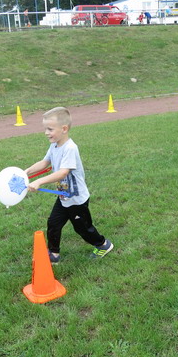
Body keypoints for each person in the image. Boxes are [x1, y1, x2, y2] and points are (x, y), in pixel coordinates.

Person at [24, 107, 114, 264]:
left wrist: (39, 181)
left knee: (83, 228)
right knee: (53, 223)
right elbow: (45, 162)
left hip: (77, 199)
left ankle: (103, 244)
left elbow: (63, 173)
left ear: (64, 129)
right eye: (45, 129)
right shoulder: (55, 145)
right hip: (64, 196)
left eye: (50, 129)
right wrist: (26, 172)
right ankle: (54, 254)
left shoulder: (70, 148)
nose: (46, 132)